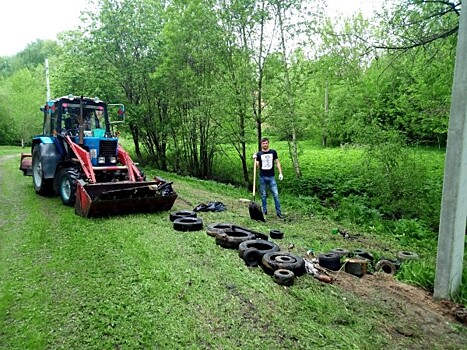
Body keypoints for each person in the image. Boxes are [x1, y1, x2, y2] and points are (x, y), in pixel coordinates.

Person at [254, 137, 285, 219]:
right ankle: (264, 211)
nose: (265, 145)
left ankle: (279, 212)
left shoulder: (273, 152)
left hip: (271, 177)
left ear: (268, 144)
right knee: (263, 195)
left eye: (266, 143)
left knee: (276, 195)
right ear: (261, 144)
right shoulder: (259, 154)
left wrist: (280, 173)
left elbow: (277, 162)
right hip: (262, 177)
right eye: (263, 143)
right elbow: (257, 166)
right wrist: (255, 158)